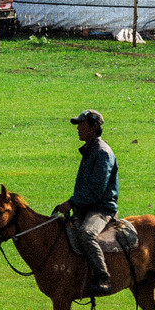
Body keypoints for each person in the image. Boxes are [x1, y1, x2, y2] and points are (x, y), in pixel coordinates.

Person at [53, 109, 117, 293]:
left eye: (82, 124)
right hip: (85, 208)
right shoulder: (89, 151)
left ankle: (103, 278)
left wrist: (72, 203)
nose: (78, 128)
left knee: (86, 233)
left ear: (94, 127)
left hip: (101, 209)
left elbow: (96, 190)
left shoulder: (102, 153)